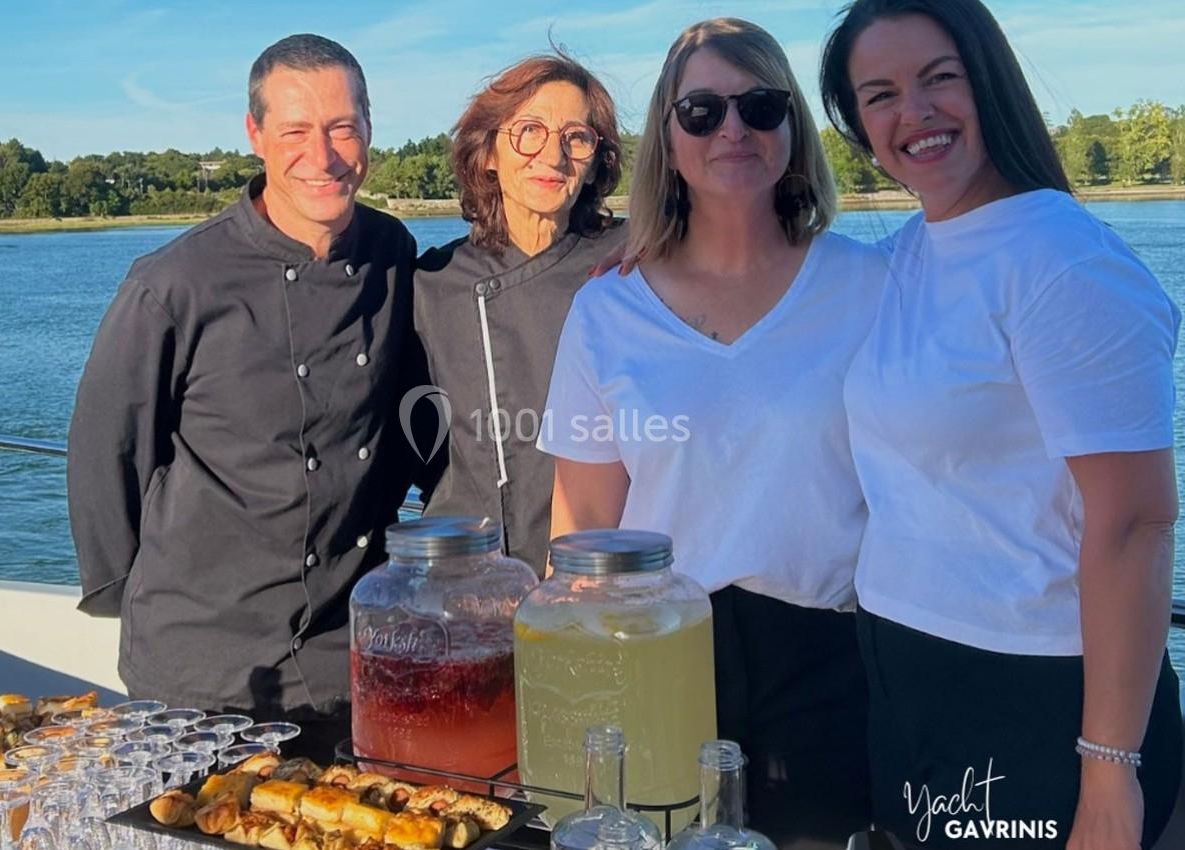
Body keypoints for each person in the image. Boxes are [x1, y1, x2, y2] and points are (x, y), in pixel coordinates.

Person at [819, 1, 1183, 846]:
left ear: (991, 79)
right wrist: (655, 248)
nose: (914, 113)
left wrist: (1106, 773)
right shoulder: (909, 252)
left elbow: (1135, 523)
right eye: (880, 94)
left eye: (939, 78)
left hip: (1036, 690)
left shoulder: (1065, 263)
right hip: (907, 674)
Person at [537, 18, 886, 847]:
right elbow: (582, 530)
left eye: (761, 107)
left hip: (832, 662)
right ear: (670, 135)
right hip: (659, 656)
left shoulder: (874, 284)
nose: (733, 130)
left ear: (793, 129)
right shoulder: (607, 309)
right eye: (701, 111)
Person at [67, 34, 424, 761]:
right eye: (295, 131)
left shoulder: (393, 251)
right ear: (255, 134)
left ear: (369, 131)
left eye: (341, 128)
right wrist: (147, 598)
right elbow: (107, 453)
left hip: (345, 658)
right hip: (202, 671)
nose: (321, 156)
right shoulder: (174, 282)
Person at [414, 53, 625, 573]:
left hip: (600, 578)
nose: (552, 156)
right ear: (487, 152)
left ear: (598, 161)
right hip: (464, 584)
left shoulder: (636, 267)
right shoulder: (432, 285)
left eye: (577, 137)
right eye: (529, 131)